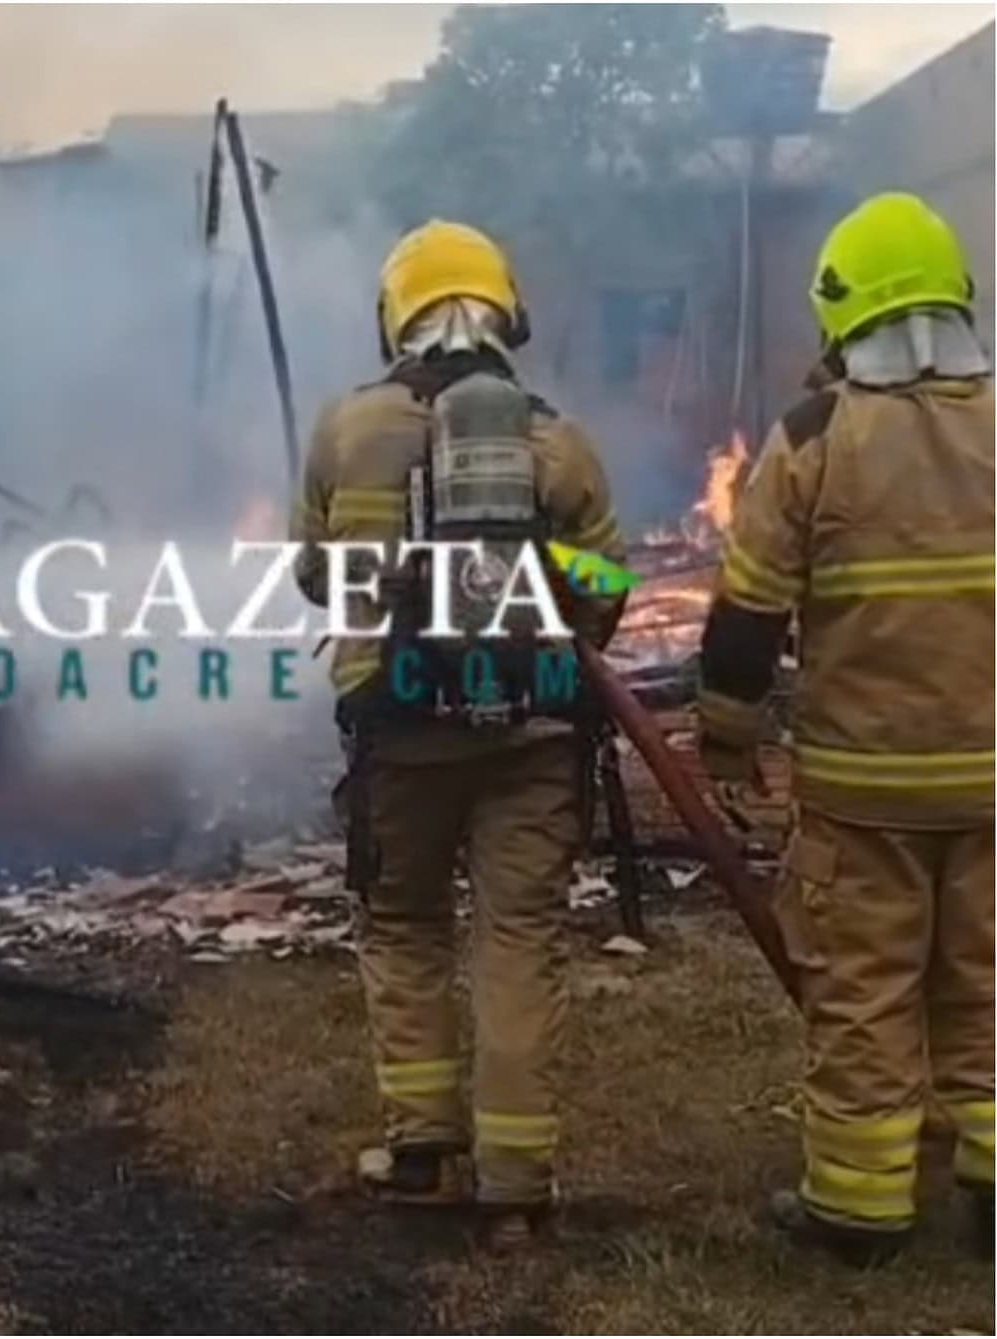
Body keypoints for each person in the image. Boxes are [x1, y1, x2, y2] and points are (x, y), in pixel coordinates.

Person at [290, 219, 624, 1248]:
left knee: (407, 927)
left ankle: (426, 1149)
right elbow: (609, 587)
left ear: (399, 314)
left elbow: (313, 576)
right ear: (505, 312)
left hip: (399, 731)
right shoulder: (558, 440)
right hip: (532, 734)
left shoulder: (346, 431)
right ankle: (517, 1182)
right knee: (518, 940)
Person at [695, 192, 994, 1264]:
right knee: (989, 975)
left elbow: (749, 610)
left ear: (843, 316)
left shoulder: (815, 437)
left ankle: (862, 1208)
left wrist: (726, 733)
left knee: (866, 989)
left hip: (868, 787)